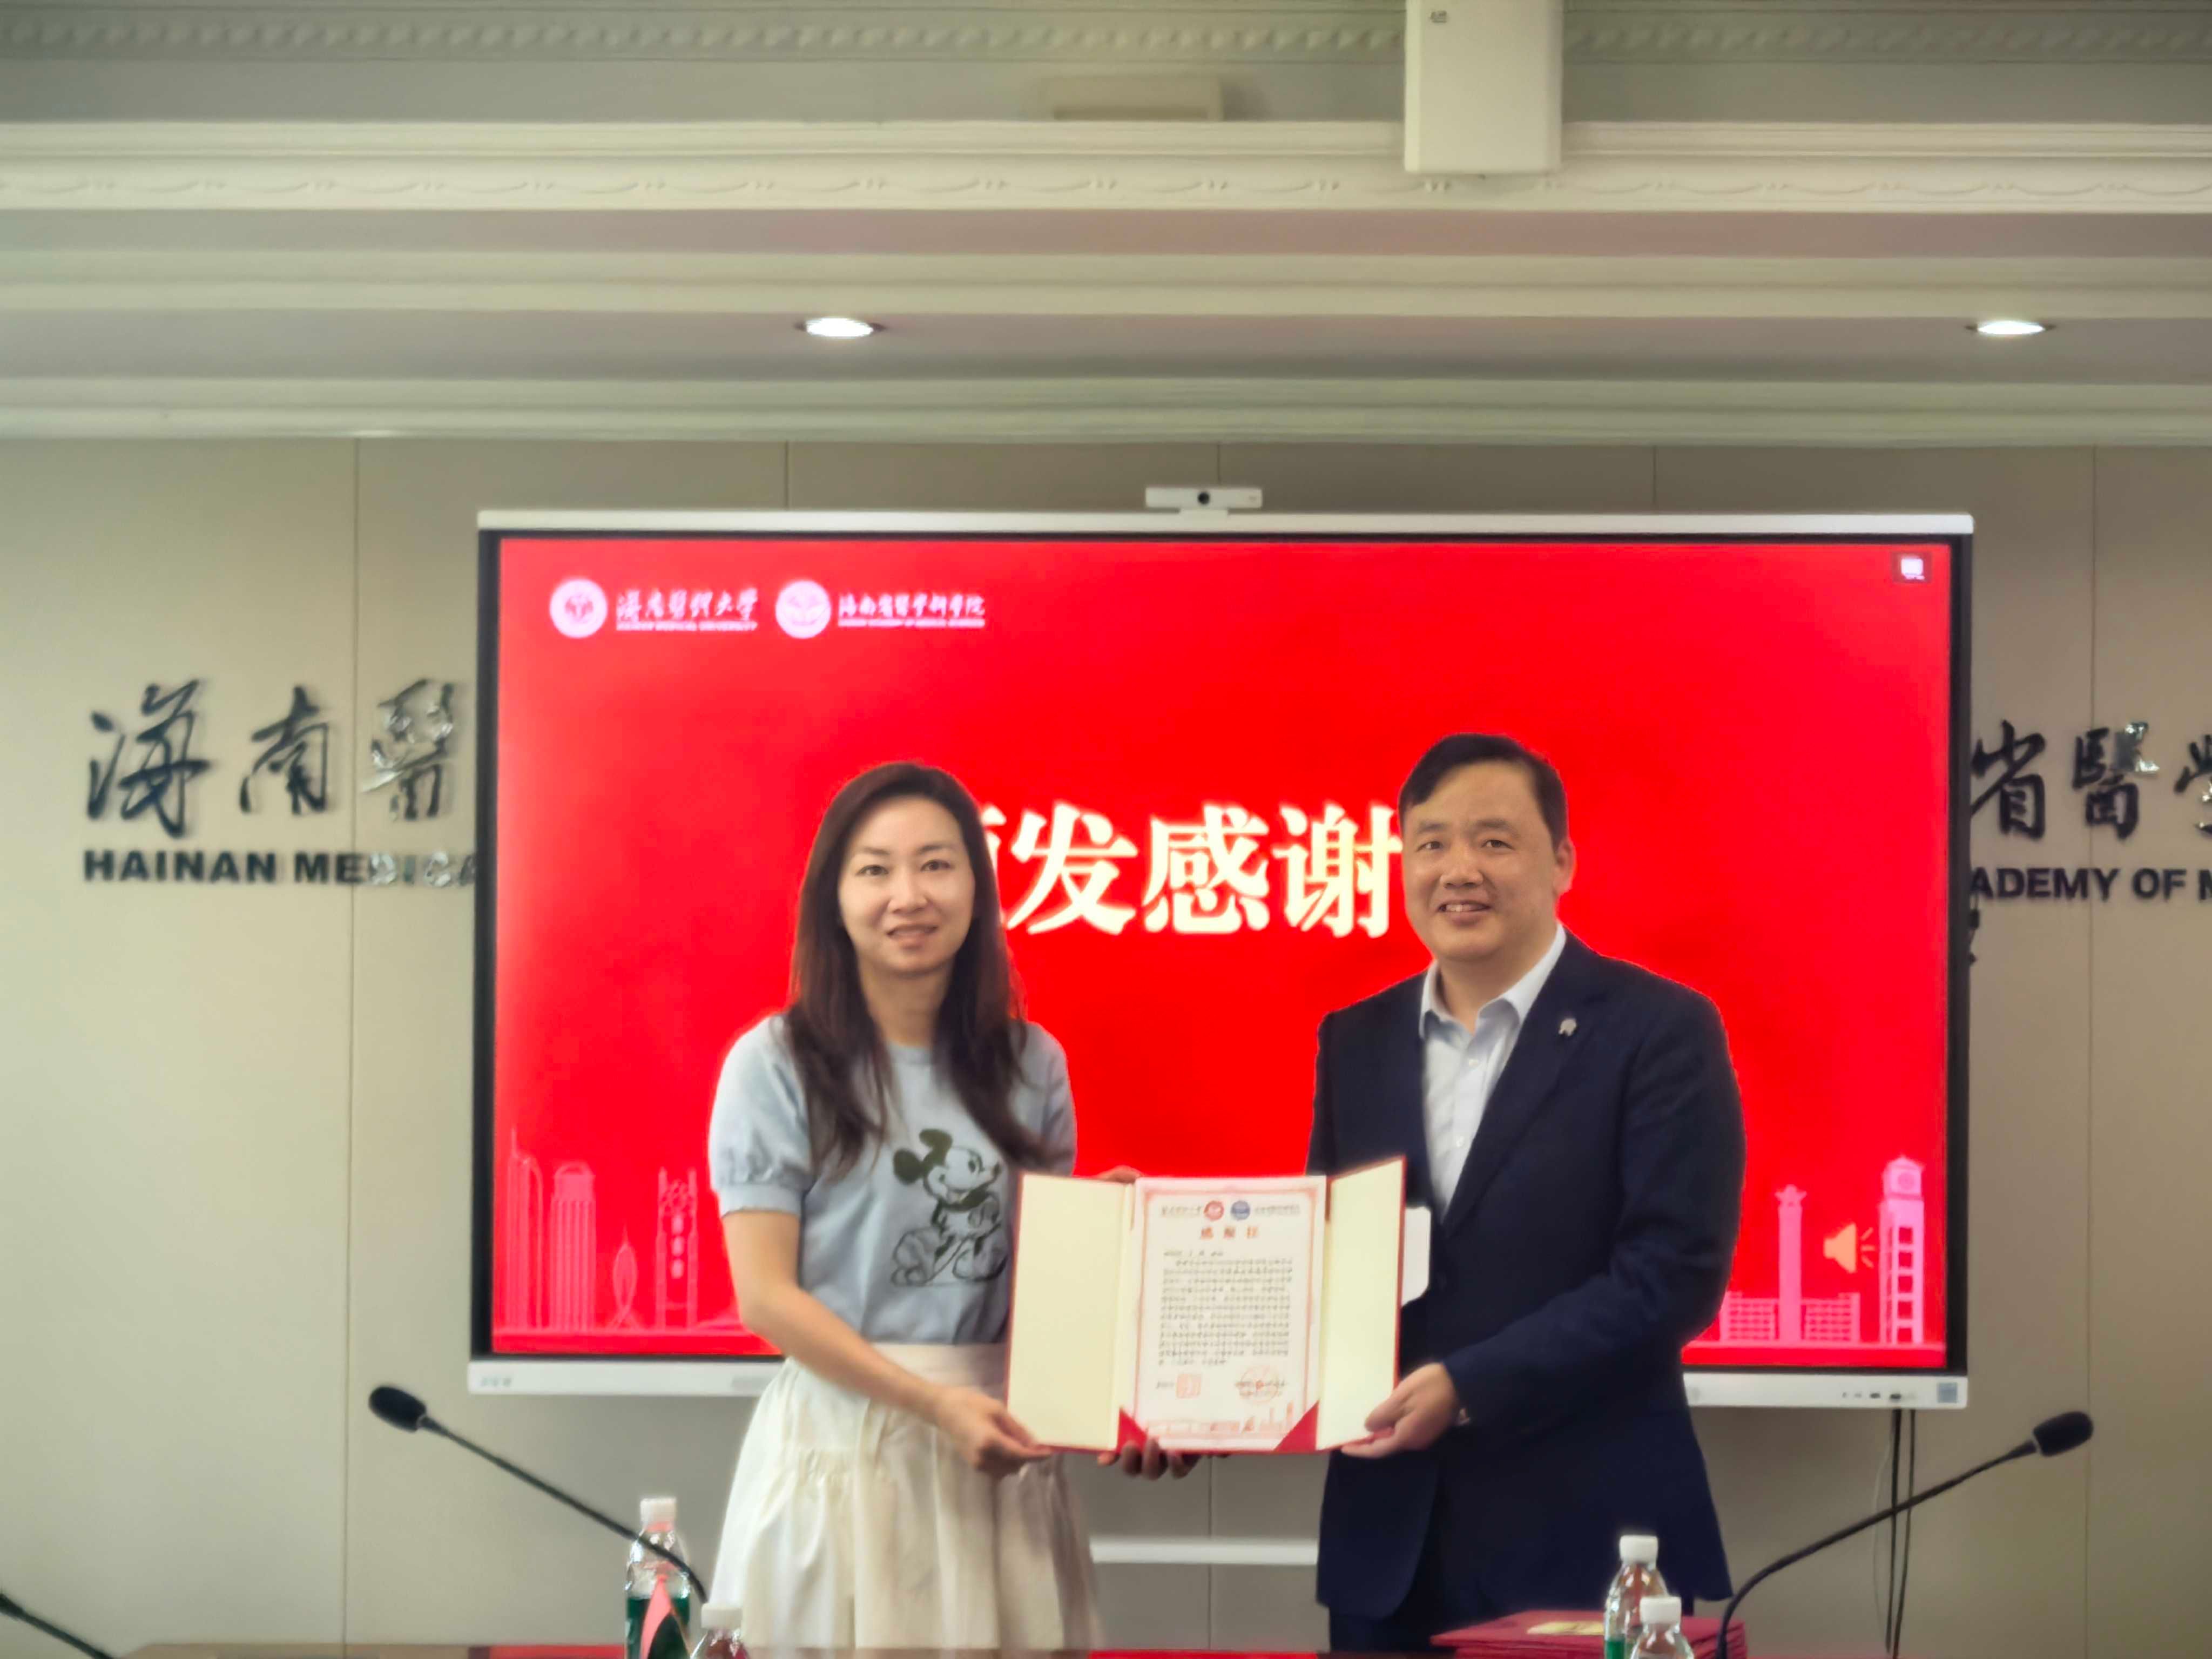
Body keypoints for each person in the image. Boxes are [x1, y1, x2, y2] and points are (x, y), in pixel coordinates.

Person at [1306, 733, 1745, 1651]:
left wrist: (1469, 1384)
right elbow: (1328, 1262)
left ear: (1562, 863)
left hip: (1592, 1543)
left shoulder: (1659, 1029)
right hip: (1391, 1557)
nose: (1458, 870)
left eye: (1494, 841)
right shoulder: (1356, 1040)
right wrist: (1176, 1408)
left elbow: (1672, 1274)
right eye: (1430, 843)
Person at [705, 761, 1100, 1649]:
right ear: (834, 898)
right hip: (844, 1441)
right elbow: (767, 1298)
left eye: (936, 865)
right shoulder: (775, 1063)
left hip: (995, 1447)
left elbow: (1043, 1289)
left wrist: (1105, 1242)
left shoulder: (1033, 1063)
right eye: (875, 870)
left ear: (977, 890)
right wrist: (930, 1405)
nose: (908, 896)